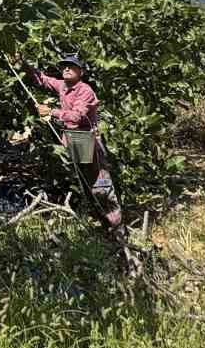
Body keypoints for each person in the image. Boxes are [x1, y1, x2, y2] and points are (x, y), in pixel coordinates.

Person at [22, 53, 130, 259]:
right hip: (74, 141)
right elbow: (42, 79)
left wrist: (51, 112)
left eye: (71, 66)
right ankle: (105, 230)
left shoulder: (85, 91)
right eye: (64, 66)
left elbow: (77, 116)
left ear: (81, 71)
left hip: (87, 141)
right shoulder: (62, 86)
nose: (66, 69)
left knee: (101, 188)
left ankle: (119, 236)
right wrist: (24, 64)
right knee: (88, 188)